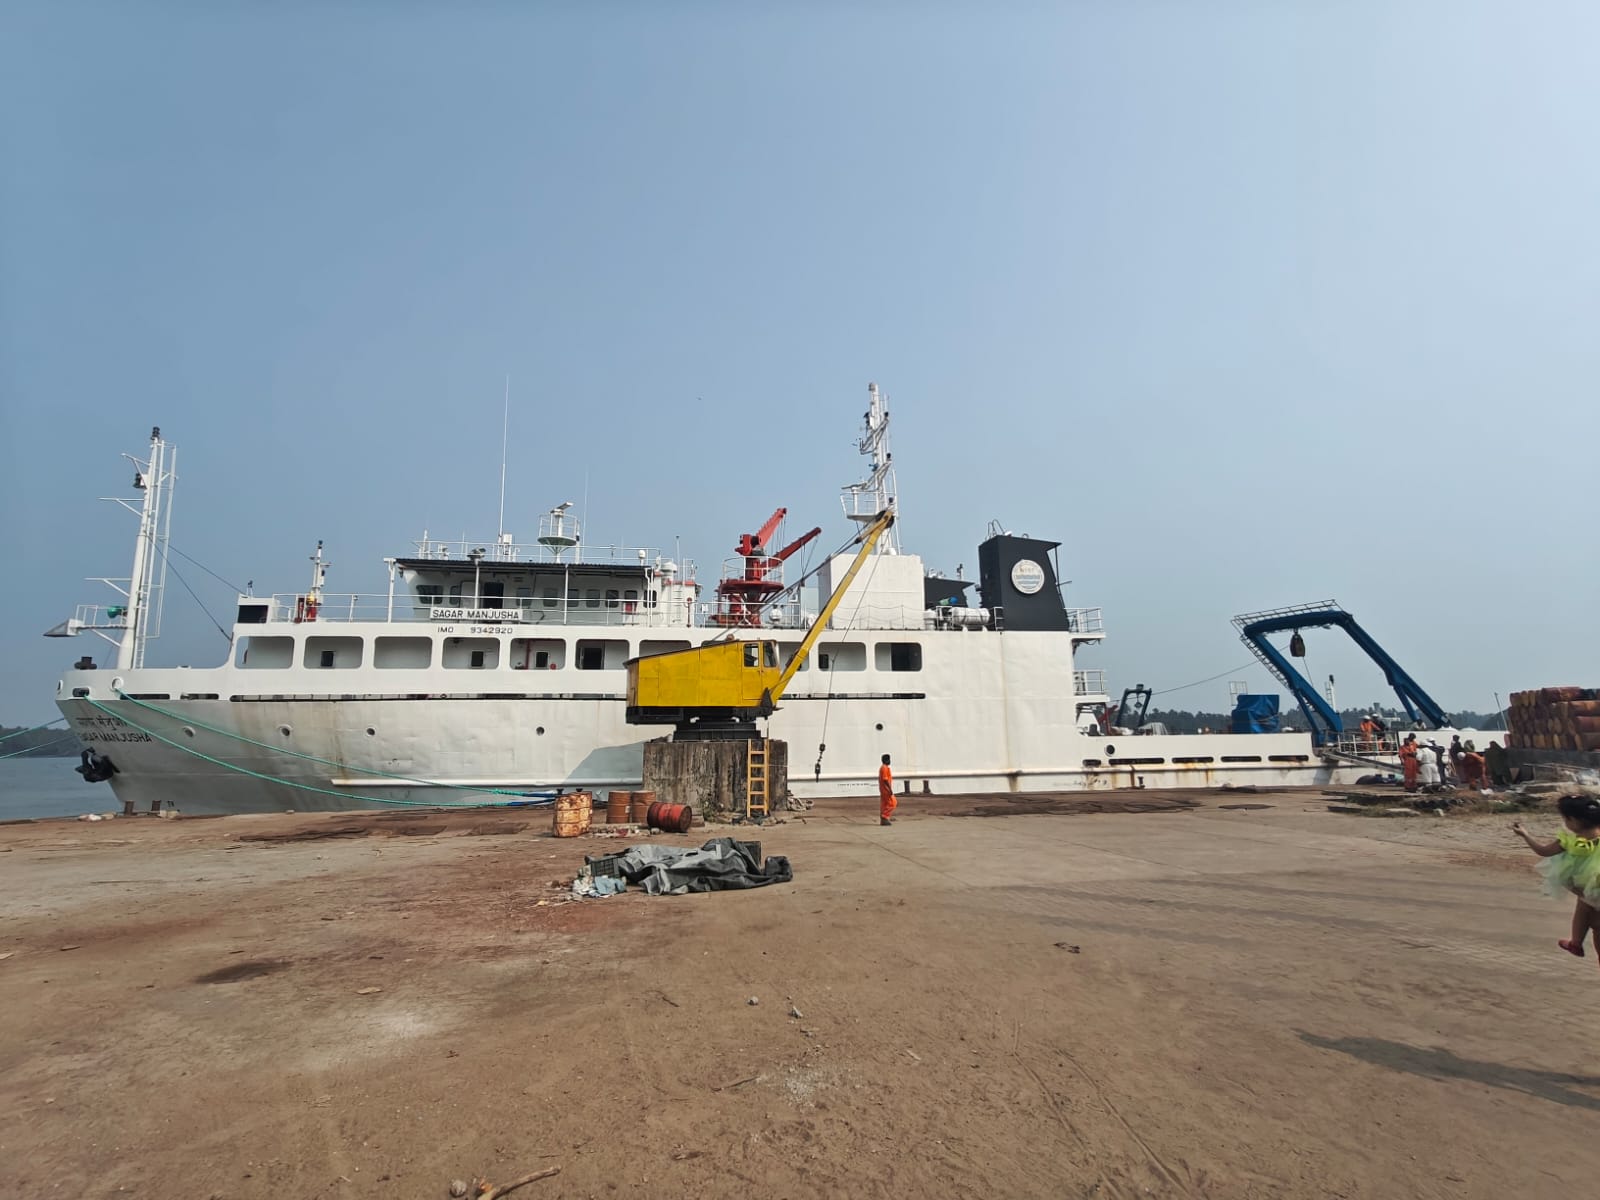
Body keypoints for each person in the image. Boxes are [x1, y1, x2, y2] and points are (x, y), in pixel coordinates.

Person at [1513, 794, 1600, 962]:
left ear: (1573, 821)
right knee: (1594, 919)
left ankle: (1576, 942)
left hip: (1589, 886)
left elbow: (1543, 851)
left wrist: (1525, 835)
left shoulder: (1571, 841)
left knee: (1586, 910)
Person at [878, 753, 896, 826]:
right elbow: (885, 779)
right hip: (886, 789)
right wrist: (890, 789)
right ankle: (885, 816)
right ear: (886, 760)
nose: (890, 761)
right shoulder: (885, 768)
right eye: (889, 760)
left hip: (883, 789)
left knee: (885, 804)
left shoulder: (882, 768)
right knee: (893, 803)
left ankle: (884, 819)